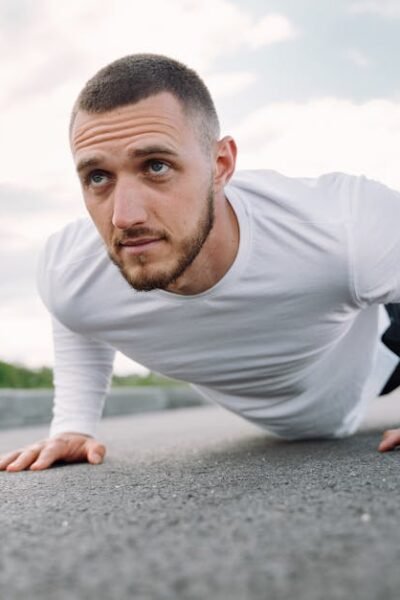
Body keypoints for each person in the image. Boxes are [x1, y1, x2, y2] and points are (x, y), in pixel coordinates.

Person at [1, 53, 400, 473]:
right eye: (98, 176)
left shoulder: (342, 223)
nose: (124, 216)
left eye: (156, 166)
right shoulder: (69, 271)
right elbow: (76, 314)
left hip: (378, 345)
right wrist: (72, 426)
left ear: (221, 164)